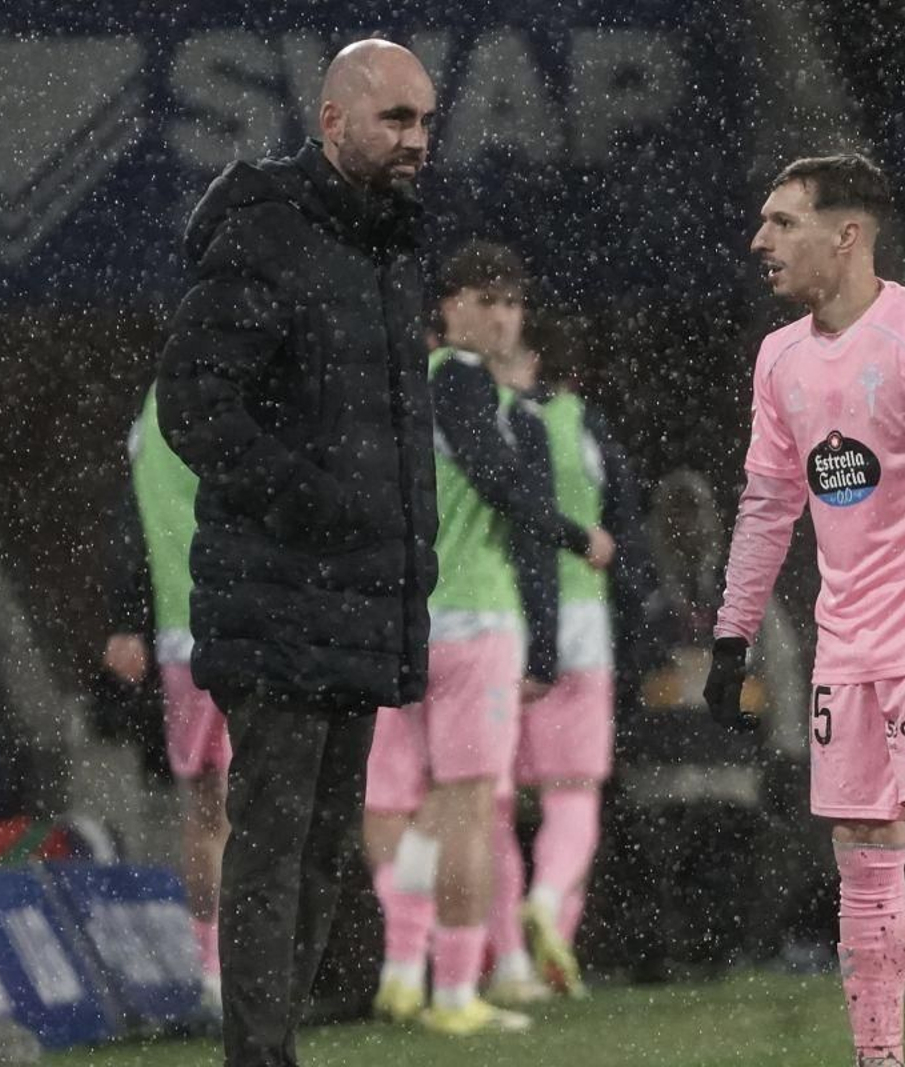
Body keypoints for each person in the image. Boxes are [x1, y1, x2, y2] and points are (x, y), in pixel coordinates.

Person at [706, 154, 905, 1067]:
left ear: (846, 234)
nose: (760, 240)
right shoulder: (779, 359)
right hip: (844, 645)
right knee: (860, 855)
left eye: (782, 221)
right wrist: (732, 634)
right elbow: (768, 502)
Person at [155, 39, 439, 1067]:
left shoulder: (388, 245)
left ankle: (272, 1047)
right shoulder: (268, 233)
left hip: (357, 598)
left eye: (426, 122)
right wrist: (314, 507)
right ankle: (259, 1056)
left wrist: (395, 556)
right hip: (279, 595)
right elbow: (193, 403)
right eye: (396, 118)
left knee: (322, 848)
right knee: (275, 841)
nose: (417, 140)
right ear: (331, 121)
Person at [361, 242, 614, 1036]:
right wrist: (576, 534)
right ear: (450, 306)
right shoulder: (467, 383)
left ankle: (402, 965)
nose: (503, 317)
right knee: (471, 805)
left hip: (407, 617)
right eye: (486, 300)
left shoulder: (403, 382)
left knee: (410, 799)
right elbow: (498, 483)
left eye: (511, 303)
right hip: (473, 616)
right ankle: (455, 991)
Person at [483, 318, 655, 1004]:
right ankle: (551, 909)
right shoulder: (579, 421)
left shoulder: (470, 425)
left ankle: (506, 962)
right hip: (580, 618)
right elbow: (625, 526)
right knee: (573, 793)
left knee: (489, 802)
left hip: (497, 619)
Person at [101, 386, 230, 1009]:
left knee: (209, 810)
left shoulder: (154, 406)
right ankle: (254, 968)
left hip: (185, 632)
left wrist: (127, 618)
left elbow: (131, 515)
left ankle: (214, 971)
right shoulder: (252, 389)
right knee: (262, 806)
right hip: (256, 628)